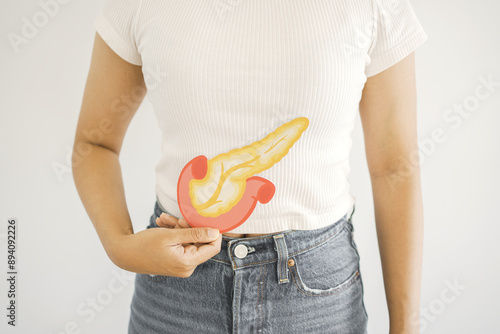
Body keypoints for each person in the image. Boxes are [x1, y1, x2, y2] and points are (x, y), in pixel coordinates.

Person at [72, 0, 427, 333]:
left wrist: (406, 328)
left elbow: (395, 169)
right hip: (175, 294)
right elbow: (94, 144)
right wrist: (120, 246)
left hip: (317, 299)